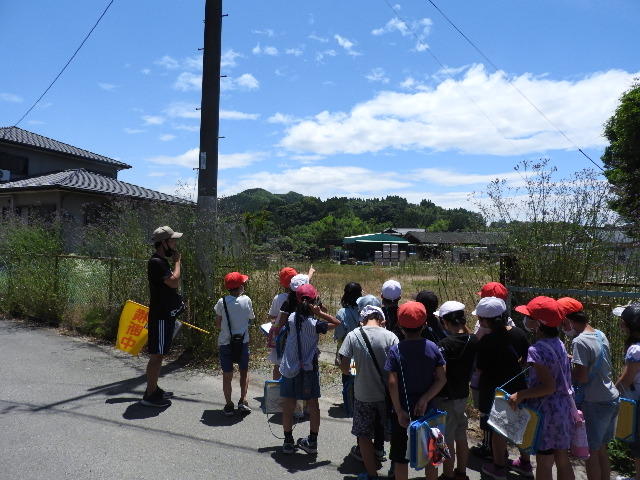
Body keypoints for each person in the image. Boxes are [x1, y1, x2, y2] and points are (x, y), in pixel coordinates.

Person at [509, 296, 575, 480]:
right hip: (563, 409)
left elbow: (548, 387)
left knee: (544, 461)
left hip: (547, 412)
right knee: (562, 459)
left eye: (529, 316)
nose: (526, 320)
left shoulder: (536, 350)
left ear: (538, 323)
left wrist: (521, 394)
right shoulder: (559, 343)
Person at [384, 301, 447, 480]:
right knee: (433, 455)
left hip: (403, 412)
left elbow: (392, 382)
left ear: (399, 326)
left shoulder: (395, 350)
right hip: (429, 412)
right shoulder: (433, 347)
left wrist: (398, 410)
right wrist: (425, 398)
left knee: (400, 458)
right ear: (425, 324)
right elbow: (442, 379)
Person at [559, 297, 619, 480]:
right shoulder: (600, 334)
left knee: (590, 453)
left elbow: (582, 376)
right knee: (601, 449)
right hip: (610, 398)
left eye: (563, 323)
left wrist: (566, 368)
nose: (562, 326)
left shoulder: (579, 341)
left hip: (594, 402)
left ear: (568, 320)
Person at [339, 305, 399, 480]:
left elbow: (344, 367)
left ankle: (372, 475)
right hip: (387, 396)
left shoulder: (353, 335)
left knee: (364, 436)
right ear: (381, 320)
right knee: (391, 432)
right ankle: (394, 470)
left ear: (362, 320)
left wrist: (356, 370)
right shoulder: (391, 337)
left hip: (363, 395)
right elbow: (398, 368)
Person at [279, 283, 340, 454]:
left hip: (290, 367)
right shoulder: (315, 324)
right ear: (314, 302)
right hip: (309, 369)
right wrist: (320, 313)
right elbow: (337, 322)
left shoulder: (291, 318)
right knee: (313, 405)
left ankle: (288, 441)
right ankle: (312, 442)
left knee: (289, 405)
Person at [475, 296, 531, 480]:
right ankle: (525, 463)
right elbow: (526, 359)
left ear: (484, 321)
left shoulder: (486, 341)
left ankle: (498, 466)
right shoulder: (519, 333)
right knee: (520, 423)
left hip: (494, 389)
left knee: (497, 429)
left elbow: (480, 368)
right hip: (518, 387)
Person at [470, 282, 516, 460]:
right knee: (500, 414)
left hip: (485, 378)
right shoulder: (510, 323)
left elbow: (476, 347)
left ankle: (489, 447)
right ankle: (499, 448)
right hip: (507, 377)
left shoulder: (482, 326)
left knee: (486, 412)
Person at [434, 301, 478, 480]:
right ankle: (461, 472)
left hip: (446, 397)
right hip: (462, 395)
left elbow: (440, 374)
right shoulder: (473, 339)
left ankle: (448, 475)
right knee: (461, 435)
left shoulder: (444, 344)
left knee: (446, 439)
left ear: (445, 322)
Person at [142, 225, 183, 408]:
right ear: (163, 243)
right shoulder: (156, 262)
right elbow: (174, 282)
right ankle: (150, 395)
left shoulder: (161, 262)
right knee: (157, 356)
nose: (175, 244)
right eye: (172, 241)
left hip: (165, 315)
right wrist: (177, 262)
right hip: (160, 316)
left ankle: (153, 388)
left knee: (159, 354)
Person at [214, 271, 255, 416]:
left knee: (227, 374)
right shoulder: (247, 300)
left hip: (225, 343)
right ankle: (243, 400)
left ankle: (229, 404)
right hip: (242, 342)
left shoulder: (221, 302)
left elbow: (218, 324)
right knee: (244, 371)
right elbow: (251, 318)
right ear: (240, 287)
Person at [613, 303, 640, 480]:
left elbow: (626, 379)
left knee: (638, 445)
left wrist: (612, 393)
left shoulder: (635, 350)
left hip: (636, 402)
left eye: (623, 322)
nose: (621, 325)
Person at [335, 282, 364, 414]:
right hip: (362, 351)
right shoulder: (363, 311)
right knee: (359, 378)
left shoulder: (342, 312)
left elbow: (339, 334)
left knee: (348, 376)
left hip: (347, 353)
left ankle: (349, 404)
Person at [266, 267, 298, 380]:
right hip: (295, 335)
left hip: (280, 336)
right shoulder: (301, 298)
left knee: (278, 364)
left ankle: (276, 387)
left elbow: (272, 316)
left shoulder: (278, 298)